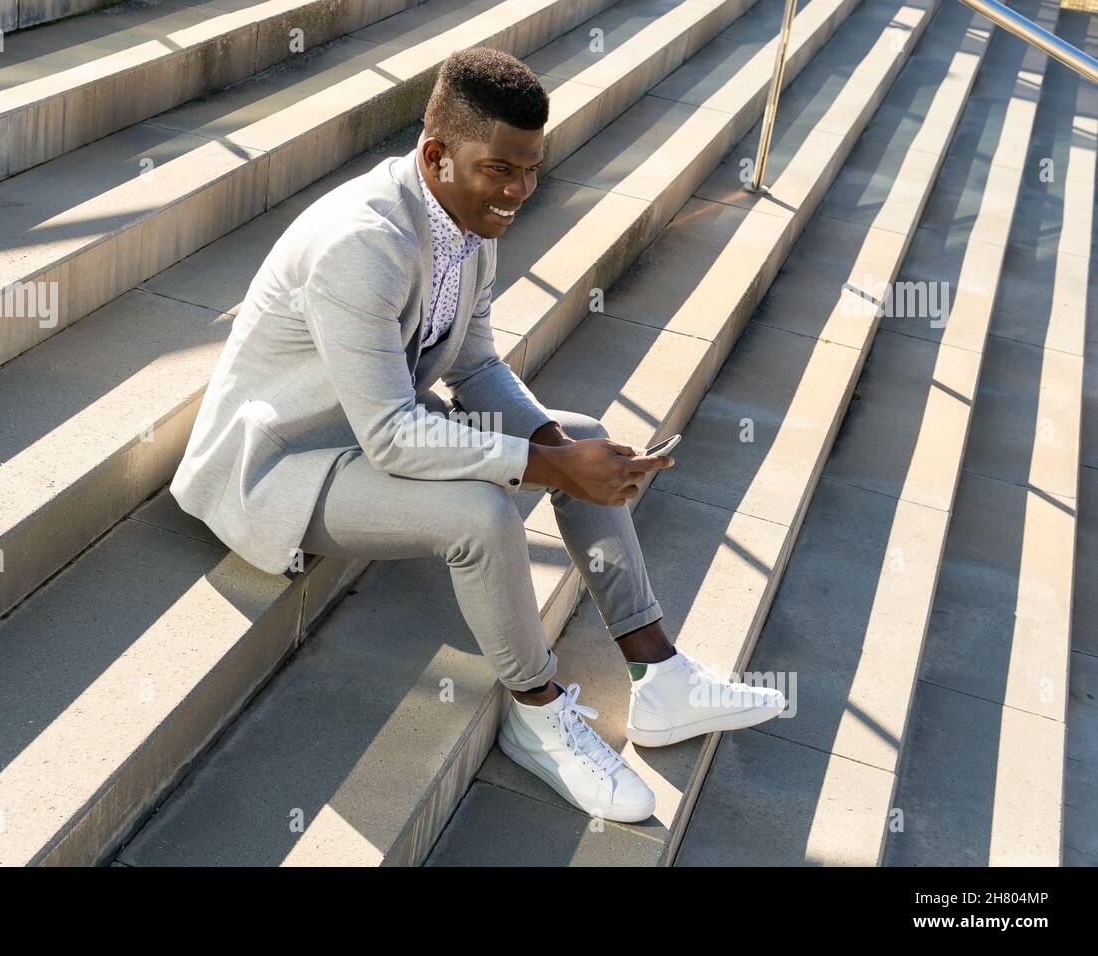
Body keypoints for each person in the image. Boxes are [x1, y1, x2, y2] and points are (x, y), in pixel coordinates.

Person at [171, 47, 785, 825]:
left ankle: (658, 675)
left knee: (582, 431)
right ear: (437, 155)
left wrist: (559, 446)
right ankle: (537, 711)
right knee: (482, 516)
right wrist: (548, 469)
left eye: (531, 169)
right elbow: (394, 437)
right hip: (288, 464)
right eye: (501, 169)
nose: (521, 191)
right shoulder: (362, 245)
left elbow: (475, 366)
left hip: (371, 429)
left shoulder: (468, 222)